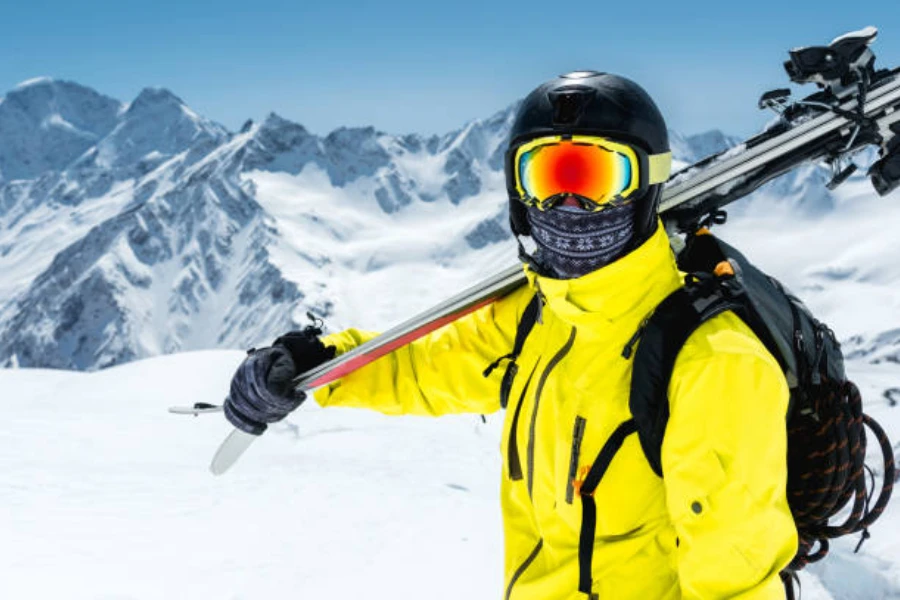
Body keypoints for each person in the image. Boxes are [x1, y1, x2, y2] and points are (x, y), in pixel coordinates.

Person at [224, 71, 799, 599]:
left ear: (647, 185)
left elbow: (737, 585)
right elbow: (426, 366)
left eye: (596, 177)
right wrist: (317, 363)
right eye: (545, 176)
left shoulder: (713, 364)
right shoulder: (539, 315)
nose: (567, 203)